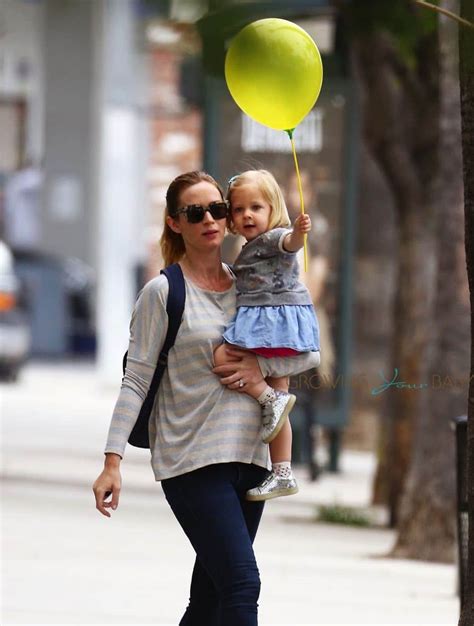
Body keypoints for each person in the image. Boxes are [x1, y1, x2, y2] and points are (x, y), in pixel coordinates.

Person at [92, 171, 320, 626]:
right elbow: (136, 378)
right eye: (196, 213)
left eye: (218, 209)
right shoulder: (163, 293)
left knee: (212, 599)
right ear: (176, 223)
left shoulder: (253, 285)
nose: (211, 220)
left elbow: (297, 357)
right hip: (192, 460)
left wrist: (261, 369)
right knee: (242, 584)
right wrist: (112, 460)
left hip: (252, 458)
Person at [213, 170, 320, 501]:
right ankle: (283, 471)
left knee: (225, 357)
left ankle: (268, 398)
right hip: (268, 317)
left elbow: (290, 244)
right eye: (239, 209)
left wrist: (299, 234)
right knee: (279, 405)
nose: (247, 215)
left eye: (256, 207)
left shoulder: (275, 237)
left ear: (272, 209)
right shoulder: (248, 245)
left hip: (272, 320)